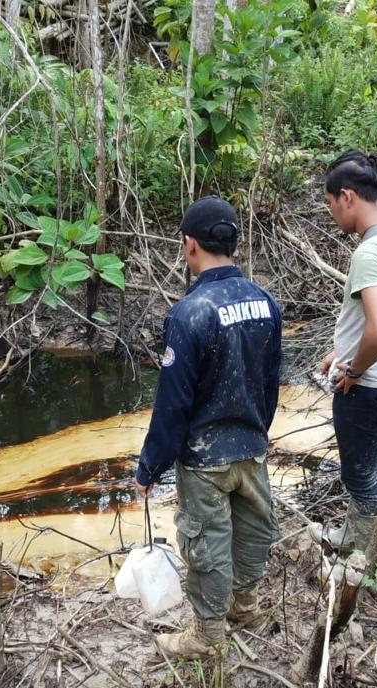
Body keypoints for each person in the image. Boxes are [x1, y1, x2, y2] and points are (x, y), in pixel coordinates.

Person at [133, 196, 282, 660]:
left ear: (189, 245)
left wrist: (149, 467)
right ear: (234, 244)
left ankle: (206, 634)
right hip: (252, 446)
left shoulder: (188, 314)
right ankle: (246, 605)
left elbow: (172, 405)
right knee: (254, 530)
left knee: (206, 541)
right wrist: (258, 430)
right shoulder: (265, 302)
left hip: (204, 458)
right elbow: (270, 382)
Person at [309, 150, 377, 564]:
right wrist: (344, 349)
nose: (333, 214)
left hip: (370, 385)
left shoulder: (370, 253)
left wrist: (353, 369)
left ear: (348, 196)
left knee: (359, 475)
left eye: (331, 204)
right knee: (368, 465)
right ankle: (357, 539)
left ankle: (360, 556)